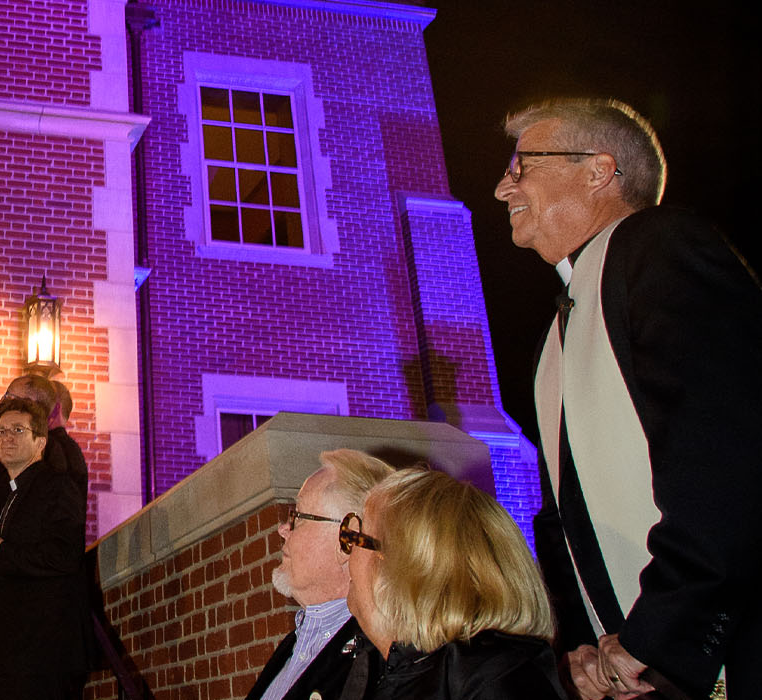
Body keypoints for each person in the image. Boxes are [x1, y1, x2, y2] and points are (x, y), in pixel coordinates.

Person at [493, 98, 762, 699]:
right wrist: (582, 646)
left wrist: (660, 639)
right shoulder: (553, 338)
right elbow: (563, 515)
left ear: (598, 169)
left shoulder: (661, 248)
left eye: (522, 166)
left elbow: (726, 456)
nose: (500, 187)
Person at [343, 468, 566, 700]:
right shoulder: (391, 669)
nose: (347, 554)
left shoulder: (496, 681)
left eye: (355, 537)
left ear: (404, 569)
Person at [0, 397, 89, 698]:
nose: (6, 438)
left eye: (18, 430)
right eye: (1, 431)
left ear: (40, 442)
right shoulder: (0, 492)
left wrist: (1, 552)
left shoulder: (58, 487)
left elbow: (65, 556)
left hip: (41, 650)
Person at [243, 449, 395, 700]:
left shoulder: (381, 656)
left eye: (298, 516)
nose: (283, 529)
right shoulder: (293, 645)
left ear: (346, 540)